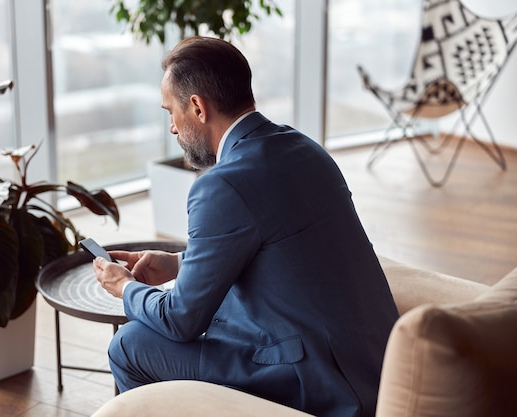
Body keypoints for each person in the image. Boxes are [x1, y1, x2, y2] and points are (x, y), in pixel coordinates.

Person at [92, 36, 399, 417]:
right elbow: (274, 246)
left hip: (316, 380)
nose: (172, 127)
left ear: (197, 107)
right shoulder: (305, 148)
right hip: (376, 364)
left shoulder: (221, 185)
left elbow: (180, 320)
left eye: (170, 112)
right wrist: (176, 264)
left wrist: (125, 287)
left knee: (130, 344)